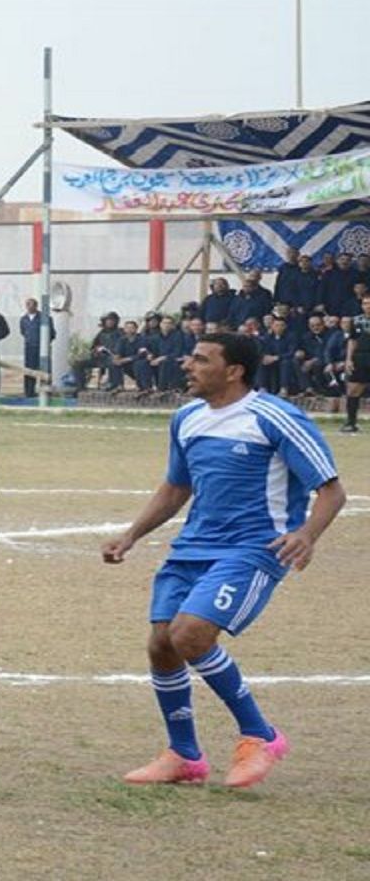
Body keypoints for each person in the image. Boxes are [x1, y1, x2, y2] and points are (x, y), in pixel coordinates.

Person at [102, 332, 343, 788]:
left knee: (190, 633)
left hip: (254, 548)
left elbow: (332, 489)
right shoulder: (188, 418)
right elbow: (177, 487)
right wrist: (131, 534)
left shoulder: (276, 418)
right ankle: (185, 756)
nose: (187, 366)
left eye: (200, 359)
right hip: (192, 546)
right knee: (161, 644)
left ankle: (261, 735)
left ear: (234, 371)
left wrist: (307, 534)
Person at [343, 294, 370, 433]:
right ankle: (351, 422)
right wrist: (349, 359)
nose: (368, 306)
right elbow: (352, 341)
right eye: (365, 303)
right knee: (353, 389)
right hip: (361, 357)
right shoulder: (356, 321)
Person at [18, 296, 54, 399]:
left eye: (31, 304)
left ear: (36, 306)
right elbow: (23, 332)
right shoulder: (23, 319)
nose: (29, 307)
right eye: (27, 305)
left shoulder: (44, 318)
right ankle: (29, 392)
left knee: (44, 369)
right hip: (30, 348)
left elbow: (52, 333)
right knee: (29, 370)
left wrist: (44, 343)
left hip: (42, 348)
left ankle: (46, 391)